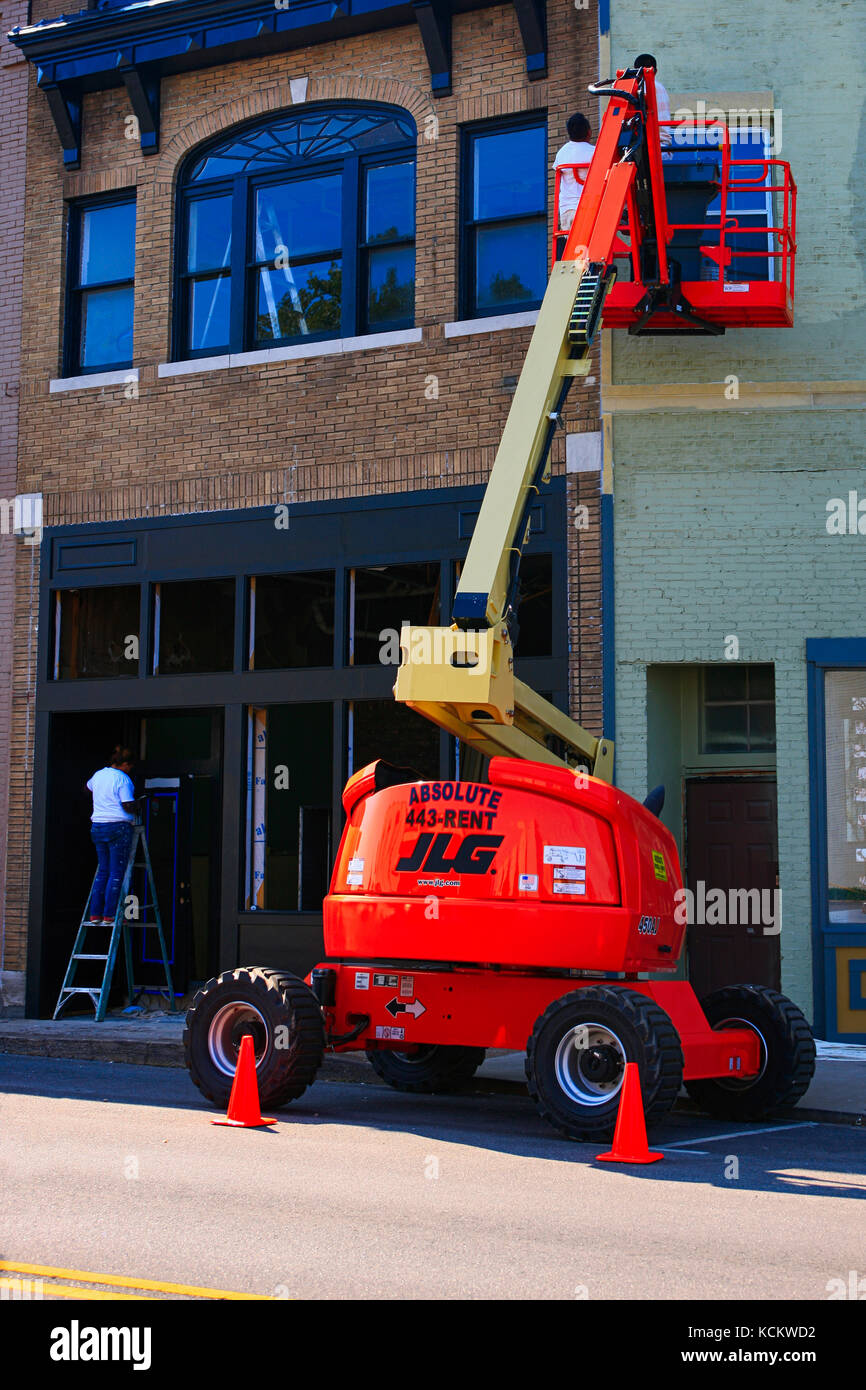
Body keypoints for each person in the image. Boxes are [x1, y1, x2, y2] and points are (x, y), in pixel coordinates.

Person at [86, 746, 137, 925]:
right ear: (124, 764)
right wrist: (139, 807)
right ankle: (110, 915)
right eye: (130, 766)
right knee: (117, 872)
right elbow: (127, 805)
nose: (130, 769)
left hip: (98, 825)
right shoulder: (123, 779)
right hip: (118, 826)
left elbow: (88, 788)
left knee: (103, 870)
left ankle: (95, 914)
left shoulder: (98, 775)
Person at [553, 113, 595, 233]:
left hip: (567, 211)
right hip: (589, 210)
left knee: (575, 249)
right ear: (589, 132)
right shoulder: (594, 153)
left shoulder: (561, 153)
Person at [634, 53, 672, 147]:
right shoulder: (661, 88)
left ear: (636, 72)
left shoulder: (644, 88)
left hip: (652, 145)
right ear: (655, 71)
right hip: (664, 144)